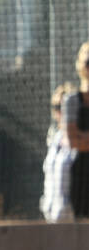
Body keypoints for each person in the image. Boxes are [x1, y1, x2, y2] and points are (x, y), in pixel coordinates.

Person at [42, 81, 76, 222]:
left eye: (63, 107)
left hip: (74, 218)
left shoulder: (80, 139)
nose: (59, 112)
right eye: (56, 107)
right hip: (52, 218)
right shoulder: (55, 139)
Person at [63, 42, 89, 218]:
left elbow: (77, 137)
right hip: (79, 173)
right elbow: (72, 141)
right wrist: (78, 138)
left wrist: (83, 136)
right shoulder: (71, 100)